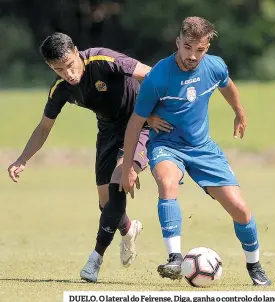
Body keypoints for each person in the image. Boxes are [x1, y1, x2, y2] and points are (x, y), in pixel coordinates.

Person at [7, 32, 171, 283]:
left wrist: (149, 113)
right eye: (59, 70)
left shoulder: (103, 59)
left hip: (140, 126)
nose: (68, 74)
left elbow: (151, 75)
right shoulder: (60, 89)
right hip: (108, 132)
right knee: (107, 204)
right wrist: (22, 159)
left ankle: (95, 259)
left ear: (76, 52)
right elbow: (43, 128)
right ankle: (128, 230)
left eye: (70, 65)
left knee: (118, 179)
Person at [120, 17, 271, 286]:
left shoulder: (214, 66)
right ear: (177, 42)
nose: (192, 55)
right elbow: (134, 122)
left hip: (203, 148)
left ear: (207, 46)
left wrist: (240, 112)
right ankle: (175, 258)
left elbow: (227, 85)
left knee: (241, 209)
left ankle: (255, 266)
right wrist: (130, 166)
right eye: (187, 47)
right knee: (167, 183)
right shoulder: (158, 76)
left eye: (199, 49)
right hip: (166, 145)